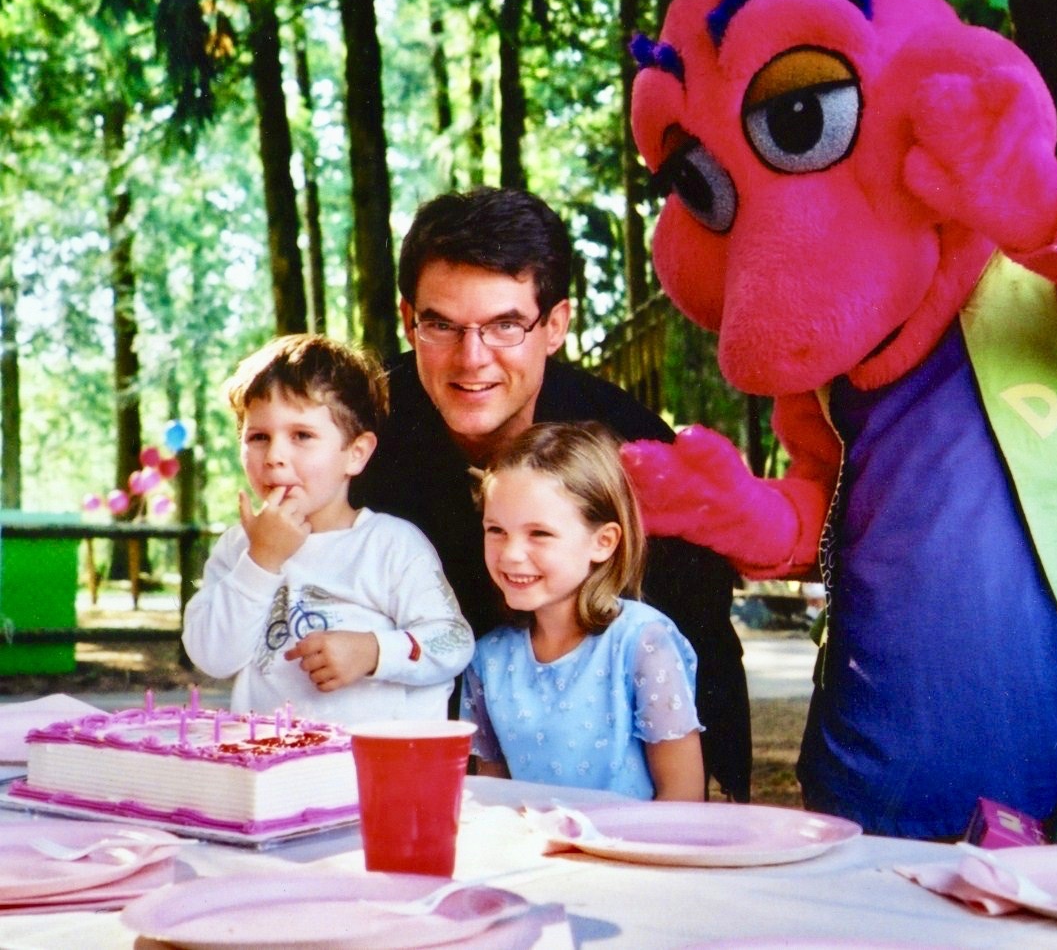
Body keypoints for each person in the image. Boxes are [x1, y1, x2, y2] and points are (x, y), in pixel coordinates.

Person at [351, 186, 751, 801]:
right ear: (410, 320)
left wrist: (712, 794)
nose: (472, 358)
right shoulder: (356, 435)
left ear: (556, 324)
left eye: (506, 325)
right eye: (442, 325)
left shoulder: (633, 452)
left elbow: (701, 634)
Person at [183, 334, 475, 724]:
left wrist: (374, 651)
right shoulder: (239, 548)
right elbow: (212, 657)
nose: (274, 456)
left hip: (376, 759)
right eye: (258, 437)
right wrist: (261, 561)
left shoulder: (390, 545)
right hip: (269, 759)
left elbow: (454, 642)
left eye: (302, 436)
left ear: (356, 453)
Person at [462, 421, 704, 800]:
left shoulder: (642, 642)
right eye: (496, 530)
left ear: (603, 542)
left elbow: (683, 794)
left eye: (539, 533)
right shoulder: (487, 660)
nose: (511, 554)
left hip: (634, 839)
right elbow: (494, 797)